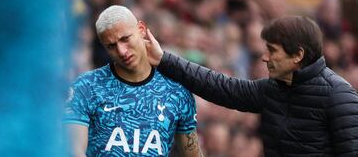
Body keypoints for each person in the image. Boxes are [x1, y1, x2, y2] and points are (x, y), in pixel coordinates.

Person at [145, 15, 358, 156]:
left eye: (273, 50)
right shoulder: (272, 90)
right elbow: (218, 86)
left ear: (298, 55)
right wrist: (164, 60)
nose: (265, 57)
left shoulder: (340, 98)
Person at [64, 5, 203, 157]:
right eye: (111, 46)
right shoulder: (86, 87)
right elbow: (73, 151)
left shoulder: (177, 92)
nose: (122, 51)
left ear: (141, 29)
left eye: (125, 39)